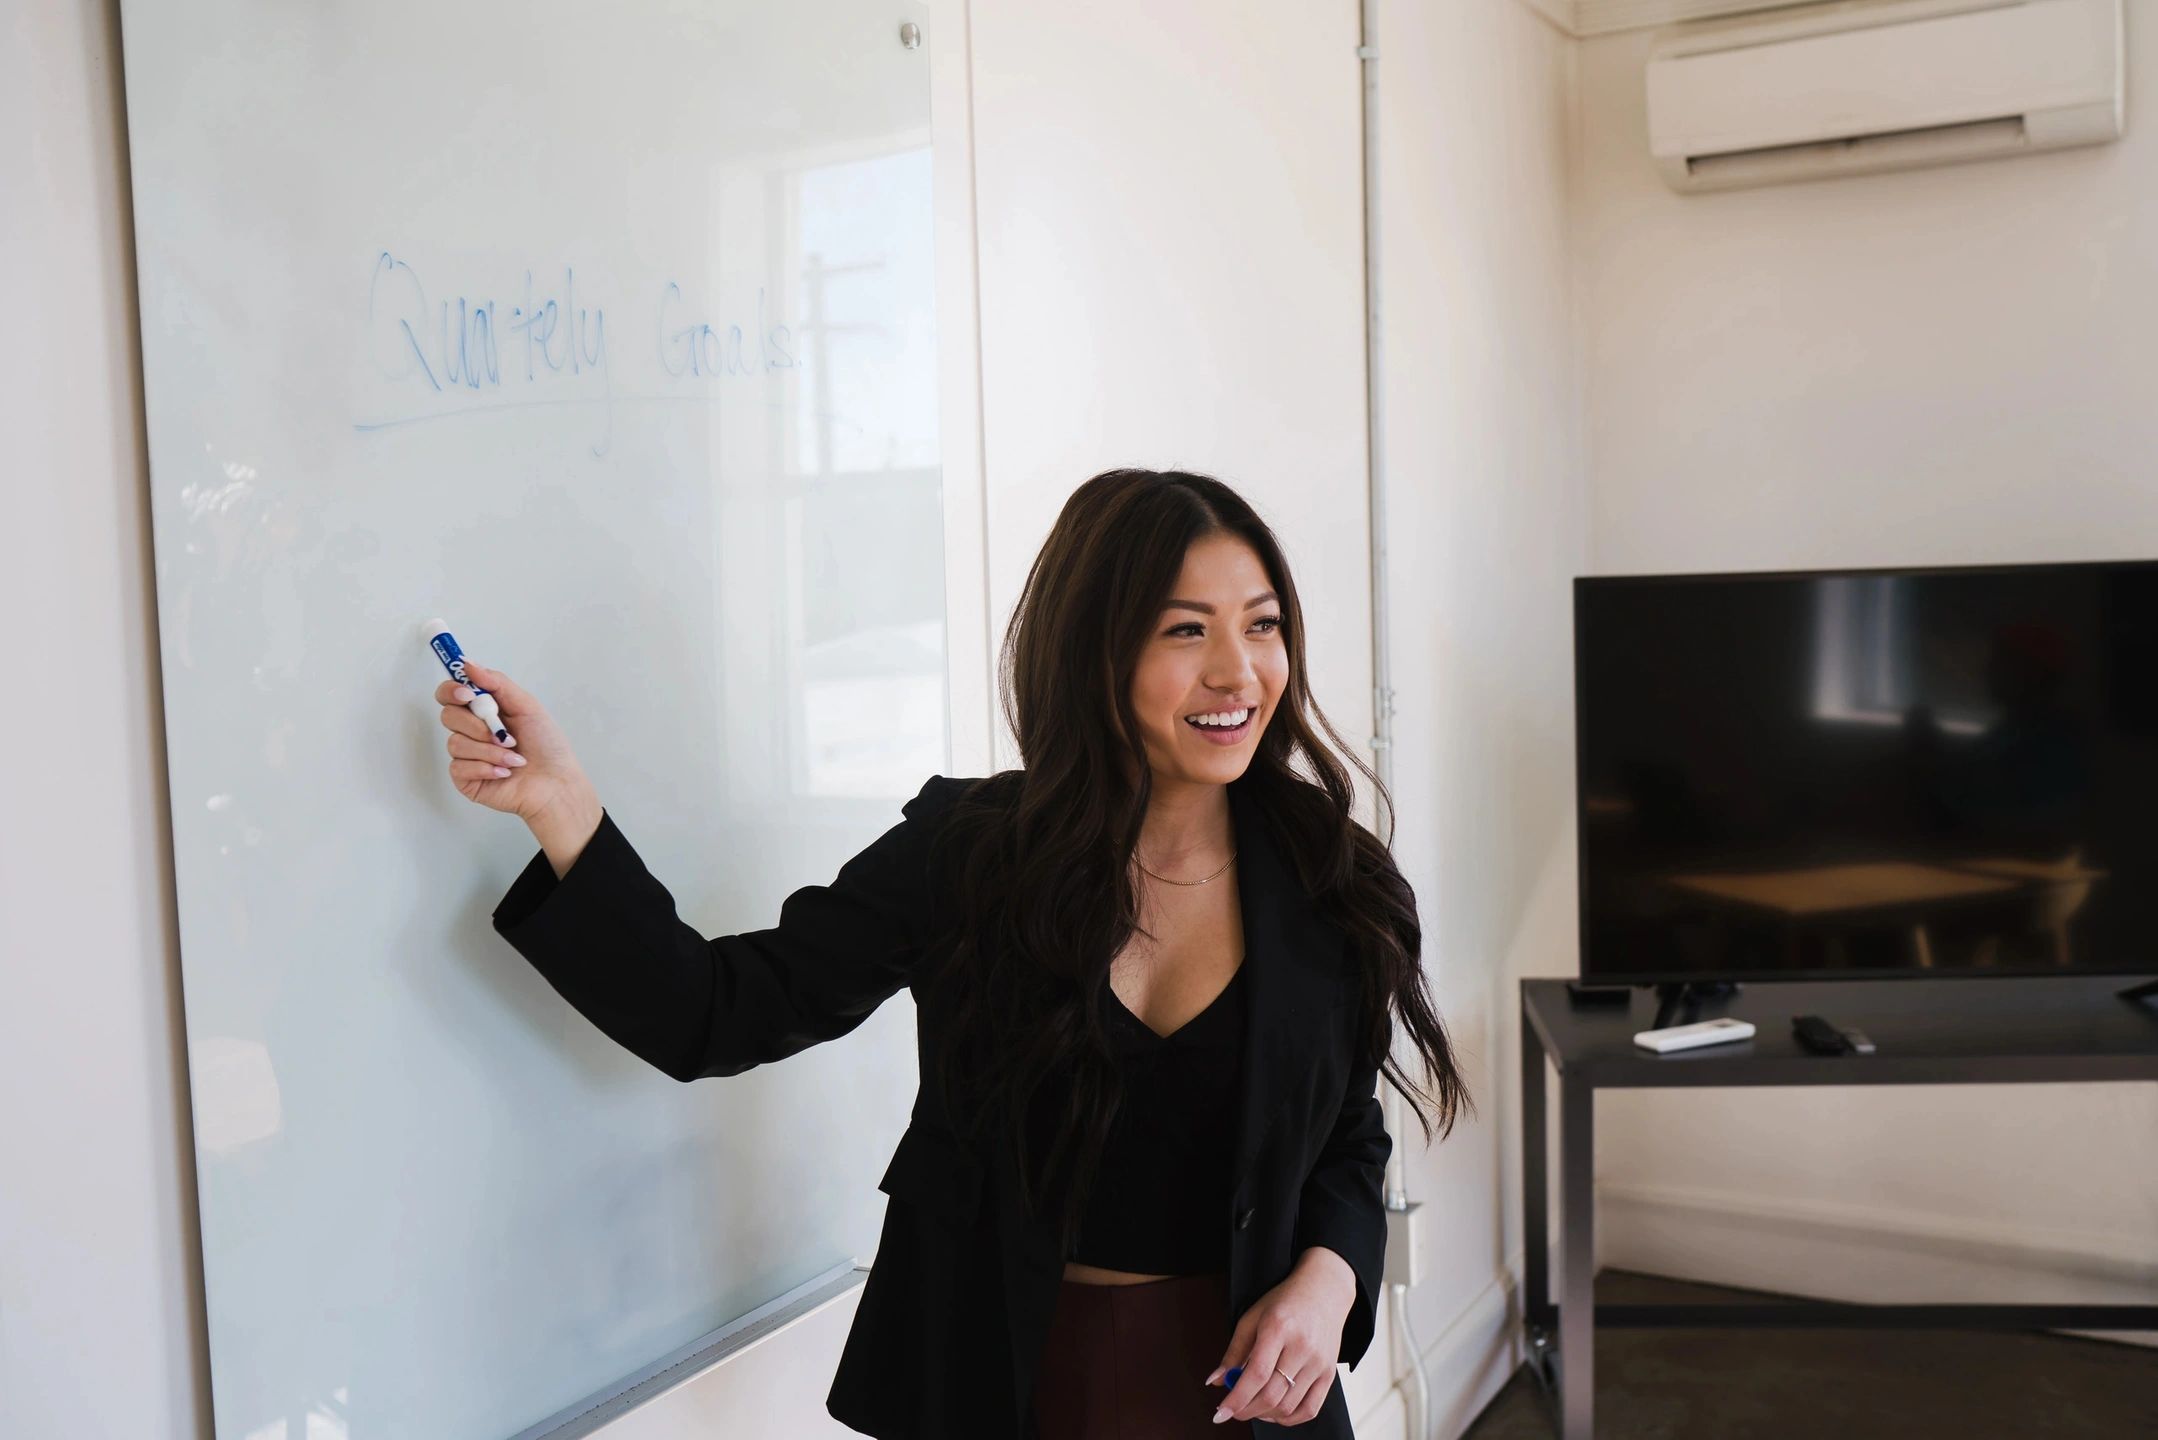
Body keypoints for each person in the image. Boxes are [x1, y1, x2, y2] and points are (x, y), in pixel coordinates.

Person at [432, 468, 1471, 1438]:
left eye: (1263, 626)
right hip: (1000, 1381)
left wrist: (1330, 1278)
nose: (1236, 671)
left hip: (1240, 1394)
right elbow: (716, 1009)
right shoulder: (970, 855)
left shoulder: (1331, 880)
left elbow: (1344, 1130)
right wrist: (560, 805)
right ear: (1093, 649)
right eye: (1184, 630)